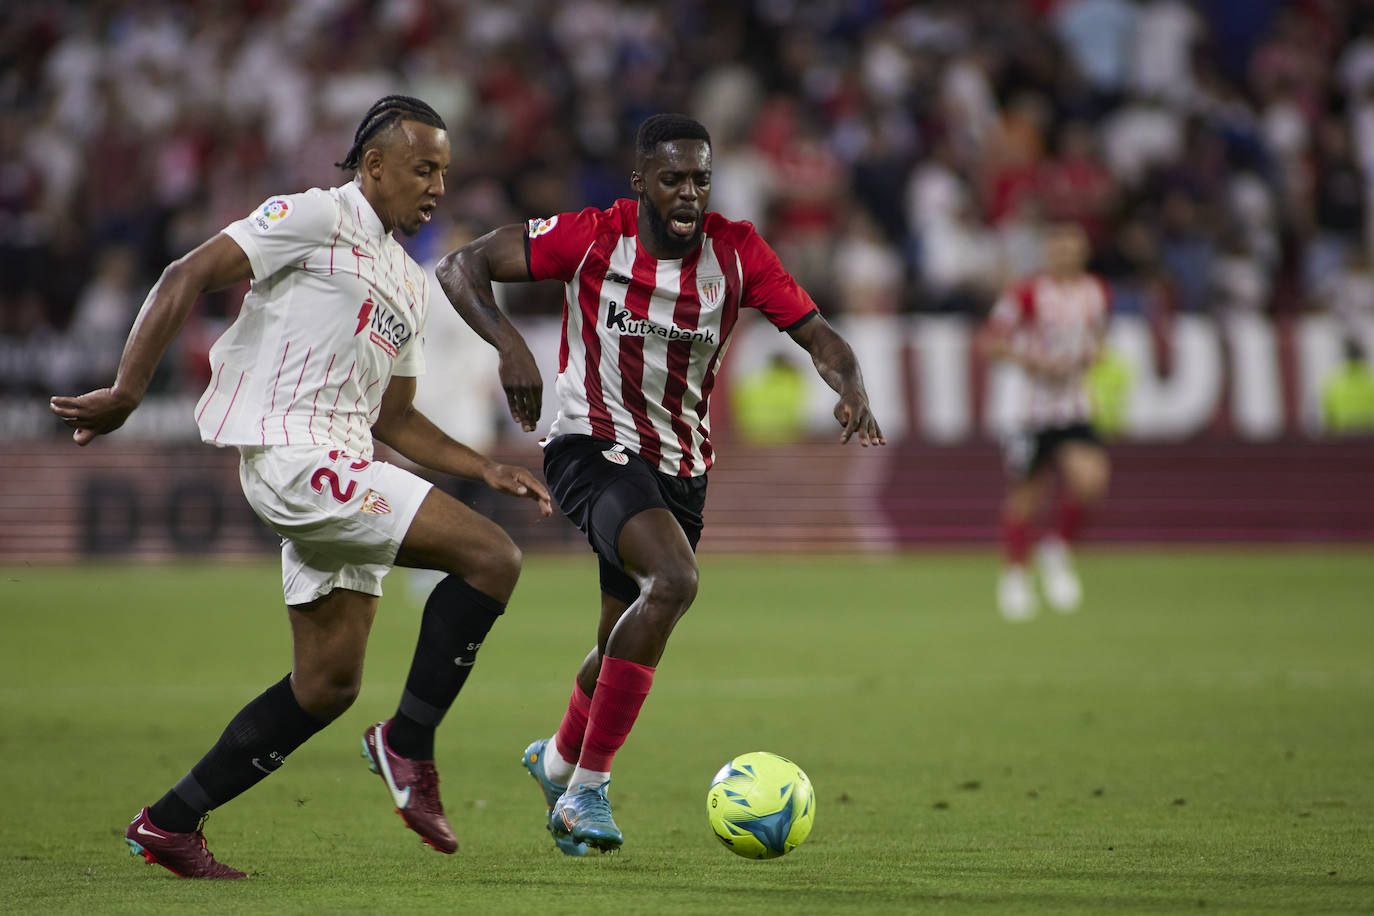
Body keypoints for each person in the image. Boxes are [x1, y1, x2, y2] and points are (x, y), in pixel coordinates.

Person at [49, 95, 552, 878]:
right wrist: (127, 389)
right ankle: (408, 745)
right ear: (374, 165)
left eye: (445, 172)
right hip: (293, 456)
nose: (438, 188)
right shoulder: (316, 215)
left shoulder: (410, 282)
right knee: (493, 557)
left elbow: (396, 417)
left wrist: (484, 467)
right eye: (424, 169)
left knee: (326, 686)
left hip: (345, 462)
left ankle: (169, 823)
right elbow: (188, 273)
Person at [435, 113, 884, 854]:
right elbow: (461, 266)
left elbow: (819, 336)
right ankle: (585, 793)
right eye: (673, 178)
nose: (689, 193)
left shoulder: (737, 252)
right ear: (641, 181)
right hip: (591, 443)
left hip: (682, 465)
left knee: (619, 637)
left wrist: (852, 385)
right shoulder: (593, 236)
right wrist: (510, 345)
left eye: (701, 179)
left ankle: (557, 761)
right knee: (674, 580)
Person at [977, 221, 1111, 621]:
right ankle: (1015, 576)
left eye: (1072, 246)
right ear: (1047, 252)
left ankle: (1057, 548)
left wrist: (1094, 354)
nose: (1064, 253)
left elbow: (1097, 337)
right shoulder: (1025, 293)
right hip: (1028, 412)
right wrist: (1031, 361)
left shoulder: (1096, 292)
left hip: (1073, 407)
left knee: (1092, 480)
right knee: (1027, 497)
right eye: (1058, 246)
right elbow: (989, 342)